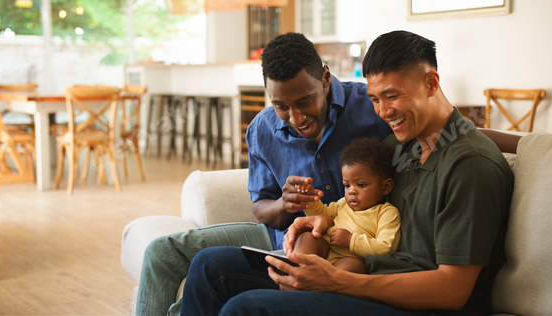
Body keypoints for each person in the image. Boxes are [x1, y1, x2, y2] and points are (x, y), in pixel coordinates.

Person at [179, 30, 514, 316]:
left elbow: (452, 291)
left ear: (431, 83)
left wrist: (338, 281)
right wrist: (321, 220)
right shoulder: (401, 146)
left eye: (392, 96)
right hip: (365, 275)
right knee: (210, 266)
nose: (383, 111)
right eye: (375, 99)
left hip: (416, 305)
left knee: (247, 308)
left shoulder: (470, 166)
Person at [135, 32, 392, 316]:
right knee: (161, 252)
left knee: (201, 295)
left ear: (326, 79)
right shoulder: (262, 129)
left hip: (346, 241)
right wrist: (284, 204)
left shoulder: (372, 109)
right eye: (282, 106)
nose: (296, 118)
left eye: (305, 102)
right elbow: (260, 208)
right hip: (280, 236)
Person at [293, 138, 400, 274]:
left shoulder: (386, 212)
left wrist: (351, 240)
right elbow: (321, 213)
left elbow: (386, 247)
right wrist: (310, 200)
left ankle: (322, 286)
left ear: (386, 187)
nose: (351, 191)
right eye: (347, 185)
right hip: (326, 249)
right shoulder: (343, 204)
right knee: (308, 238)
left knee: (354, 266)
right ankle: (298, 271)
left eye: (361, 185)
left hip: (351, 257)